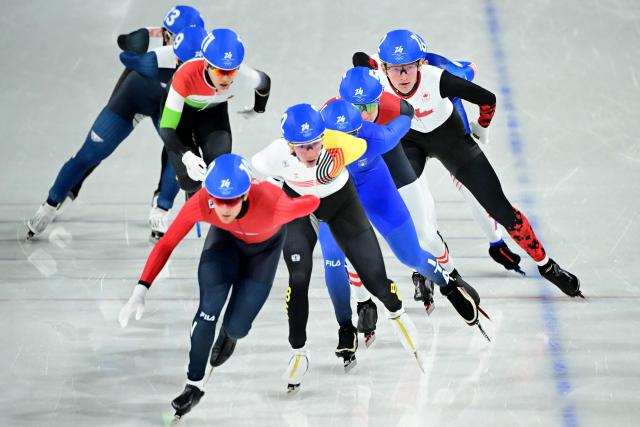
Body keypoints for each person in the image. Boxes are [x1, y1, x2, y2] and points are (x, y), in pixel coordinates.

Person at [354, 29, 581, 297]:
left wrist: (481, 128)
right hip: (409, 142)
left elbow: (488, 99)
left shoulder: (439, 75)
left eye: (409, 68)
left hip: (451, 138)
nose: (402, 76)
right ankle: (423, 266)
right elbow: (357, 77)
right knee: (410, 209)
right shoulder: (375, 77)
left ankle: (547, 266)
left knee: (500, 208)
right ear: (383, 66)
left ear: (421, 64)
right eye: (395, 69)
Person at [118, 154, 320, 419]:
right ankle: (194, 384)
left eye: (232, 200)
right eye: (218, 199)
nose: (224, 208)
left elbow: (312, 201)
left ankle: (231, 334)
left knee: (237, 326)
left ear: (246, 194)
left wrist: (310, 177)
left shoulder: (274, 203)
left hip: (264, 254)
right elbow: (167, 243)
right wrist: (141, 288)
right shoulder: (203, 202)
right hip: (224, 245)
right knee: (207, 311)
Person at [252, 104, 424, 391]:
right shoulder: (274, 155)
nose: (311, 153)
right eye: (303, 147)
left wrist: (405, 112)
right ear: (289, 145)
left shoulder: (344, 145)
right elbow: (246, 172)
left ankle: (396, 312)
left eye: (316, 144)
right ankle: (298, 352)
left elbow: (379, 140)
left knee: (376, 281)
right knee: (298, 278)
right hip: (298, 209)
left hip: (342, 205)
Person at [26, 6, 205, 242]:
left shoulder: (201, 47)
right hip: (133, 97)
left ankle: (162, 206)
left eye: (170, 36)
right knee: (91, 152)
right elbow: (125, 52)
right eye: (166, 34)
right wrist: (137, 44)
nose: (167, 39)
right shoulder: (155, 43)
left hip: (167, 106)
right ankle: (51, 203)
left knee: (179, 151)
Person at [318, 98, 488, 342]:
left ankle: (447, 283)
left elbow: (401, 123)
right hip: (337, 201)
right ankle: (347, 324)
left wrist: (405, 110)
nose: (344, 145)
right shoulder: (311, 146)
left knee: (410, 256)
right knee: (333, 260)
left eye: (351, 136)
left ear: (359, 131)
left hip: (375, 191)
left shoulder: (375, 137)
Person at [159, 28, 271, 194]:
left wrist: (258, 110)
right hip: (183, 114)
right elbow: (166, 128)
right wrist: (187, 156)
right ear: (206, 64)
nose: (226, 78)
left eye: (231, 71)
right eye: (220, 71)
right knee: (189, 182)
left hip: (213, 114)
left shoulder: (245, 76)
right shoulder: (186, 76)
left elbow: (265, 82)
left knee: (218, 170)